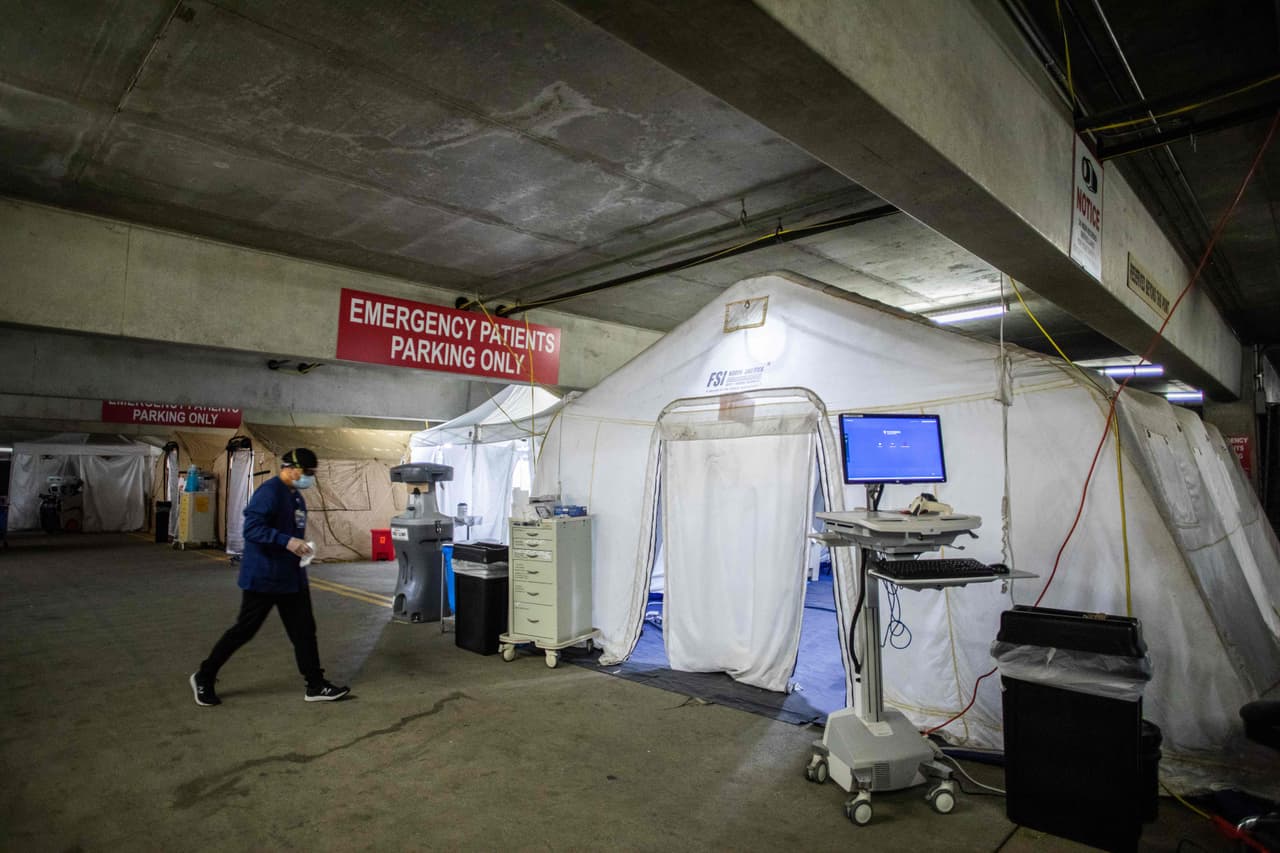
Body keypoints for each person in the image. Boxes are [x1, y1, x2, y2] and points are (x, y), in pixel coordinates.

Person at [190, 448, 350, 705]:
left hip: (291, 578)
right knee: (244, 630)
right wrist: (286, 541)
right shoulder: (269, 492)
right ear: (291, 468)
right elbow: (252, 529)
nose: (310, 477)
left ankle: (315, 685)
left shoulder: (295, 496)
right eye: (307, 472)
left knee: (304, 631)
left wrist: (301, 547)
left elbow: (292, 531)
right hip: (264, 577)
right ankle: (204, 675)